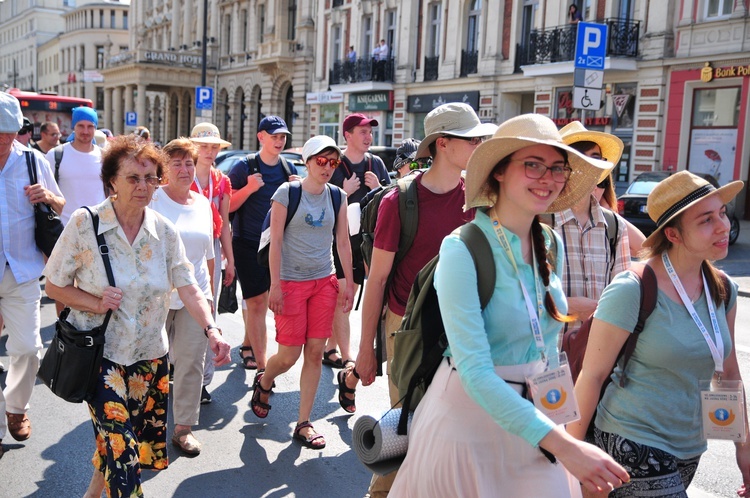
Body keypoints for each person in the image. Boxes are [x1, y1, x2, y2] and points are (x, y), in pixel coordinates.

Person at [390, 113, 627, 496]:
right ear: (499, 171)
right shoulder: (462, 248)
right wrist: (565, 446)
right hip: (468, 431)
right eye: (532, 165)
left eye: (557, 168)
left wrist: (562, 430)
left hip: (536, 429)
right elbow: (476, 372)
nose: (548, 178)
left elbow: (547, 351)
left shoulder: (550, 243)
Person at [43, 135, 231, 497]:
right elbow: (54, 286)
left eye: (150, 178)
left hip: (149, 359)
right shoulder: (86, 224)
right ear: (111, 180)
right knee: (125, 457)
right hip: (102, 356)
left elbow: (189, 287)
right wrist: (93, 302)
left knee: (120, 445)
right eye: (133, 178)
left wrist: (212, 329)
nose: (144, 187)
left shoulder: (163, 231)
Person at [569, 171, 749, 497]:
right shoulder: (632, 288)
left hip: (690, 446)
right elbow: (591, 377)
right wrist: (572, 455)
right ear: (674, 234)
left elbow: (729, 375)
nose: (723, 226)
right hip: (631, 440)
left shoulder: (723, 288)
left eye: (722, 212)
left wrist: (745, 454)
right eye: (706, 219)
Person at [352, 103, 497, 497]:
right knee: (407, 431)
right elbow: (378, 278)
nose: (479, 144)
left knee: (451, 439)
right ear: (444, 143)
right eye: (472, 138)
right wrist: (366, 350)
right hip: (410, 330)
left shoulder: (480, 199)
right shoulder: (399, 200)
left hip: (463, 330)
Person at [251, 135, 353, 450]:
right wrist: (276, 286)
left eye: (333, 162)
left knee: (314, 351)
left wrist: (347, 280)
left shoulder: (337, 196)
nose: (327, 168)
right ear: (308, 162)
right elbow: (276, 241)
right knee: (289, 355)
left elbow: (343, 241)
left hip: (324, 281)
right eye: (320, 161)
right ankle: (265, 380)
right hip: (291, 282)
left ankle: (304, 423)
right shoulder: (287, 193)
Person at [0, 92, 64, 459]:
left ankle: (16, 406)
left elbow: (60, 203)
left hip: (22, 269)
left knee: (27, 349)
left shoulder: (32, 160)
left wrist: (47, 197)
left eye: (8, 133)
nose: (3, 140)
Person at [152, 138, 216, 455]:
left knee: (191, 363)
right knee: (151, 363)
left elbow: (208, 256)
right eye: (176, 163)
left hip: (195, 295)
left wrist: (211, 299)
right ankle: (144, 424)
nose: (184, 168)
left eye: (189, 162)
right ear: (164, 168)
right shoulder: (152, 200)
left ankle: (183, 429)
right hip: (157, 297)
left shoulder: (203, 203)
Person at [229, 116, 299, 378]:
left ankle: (248, 345)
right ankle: (262, 367)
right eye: (274, 136)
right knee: (257, 302)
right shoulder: (243, 167)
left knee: (263, 300)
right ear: (261, 137)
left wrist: (295, 189)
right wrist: (248, 188)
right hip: (246, 243)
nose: (280, 141)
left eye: (283, 137)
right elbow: (226, 207)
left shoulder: (287, 167)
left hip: (275, 245)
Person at [545, 122, 631, 329]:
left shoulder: (614, 226)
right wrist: (567, 305)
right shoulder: (541, 221)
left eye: (598, 159)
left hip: (597, 351)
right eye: (587, 157)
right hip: (548, 352)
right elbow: (520, 299)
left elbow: (625, 296)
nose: (595, 165)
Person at [324, 113, 389, 373]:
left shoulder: (376, 164)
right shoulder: (333, 165)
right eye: (362, 132)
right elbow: (318, 202)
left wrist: (381, 186)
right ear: (347, 135)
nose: (368, 137)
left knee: (364, 296)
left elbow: (390, 200)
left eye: (370, 132)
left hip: (369, 242)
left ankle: (331, 348)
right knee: (344, 295)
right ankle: (348, 356)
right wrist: (343, 190)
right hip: (340, 242)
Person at [189, 122, 235, 404]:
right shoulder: (180, 175)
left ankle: (202, 381)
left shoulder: (221, 180)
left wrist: (229, 259)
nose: (210, 151)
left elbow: (226, 223)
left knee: (209, 311)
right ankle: (175, 369)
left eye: (214, 146)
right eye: (204, 146)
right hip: (183, 248)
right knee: (173, 310)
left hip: (212, 249)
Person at [45, 106, 104, 226]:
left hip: (98, 229)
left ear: (95, 128)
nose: (85, 131)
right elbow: (47, 191)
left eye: (90, 126)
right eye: (81, 126)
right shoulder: (55, 156)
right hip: (64, 229)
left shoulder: (105, 157)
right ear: (73, 127)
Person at [597, 171, 646, 255]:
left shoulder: (605, 219)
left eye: (601, 183)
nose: (594, 188)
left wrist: (607, 211)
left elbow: (643, 249)